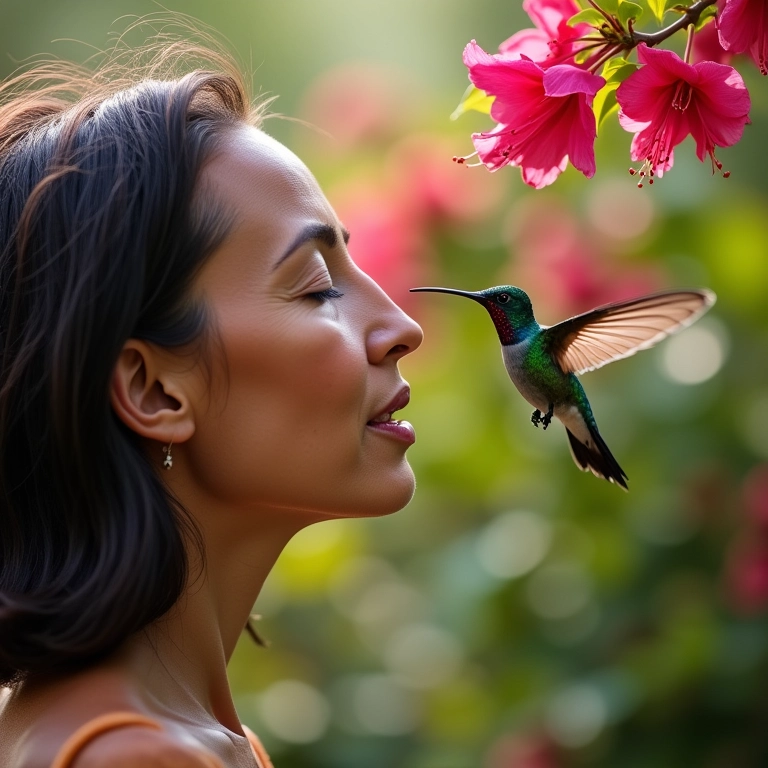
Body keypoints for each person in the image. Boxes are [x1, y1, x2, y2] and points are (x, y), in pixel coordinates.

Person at [0, 30, 423, 768]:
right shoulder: (136, 758)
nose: (401, 327)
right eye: (318, 286)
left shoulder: (171, 739)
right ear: (154, 389)